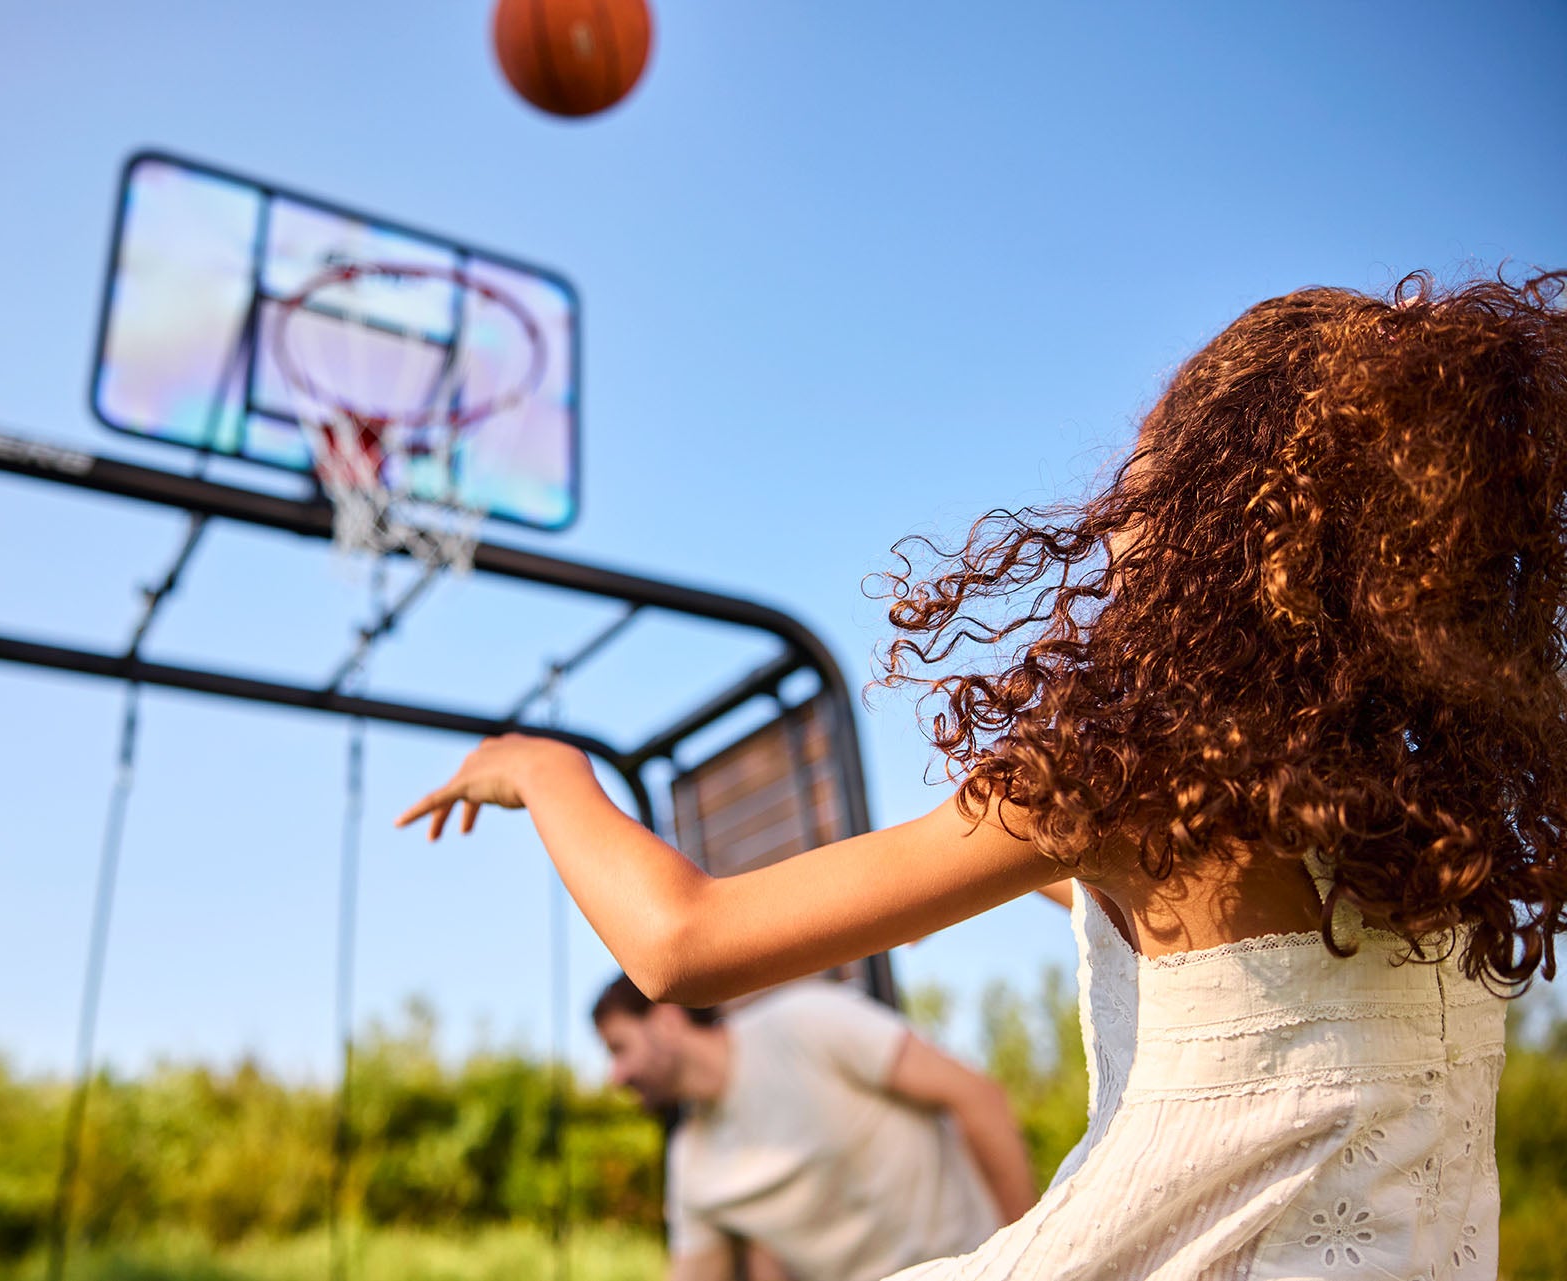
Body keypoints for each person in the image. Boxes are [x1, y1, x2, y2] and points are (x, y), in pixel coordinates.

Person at [398, 271, 1566, 1278]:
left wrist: (545, 768)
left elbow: (681, 942)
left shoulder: (1120, 791)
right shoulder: (1444, 843)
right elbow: (1215, 967)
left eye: (1145, 467)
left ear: (1204, 517)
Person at [592, 972, 1029, 1281]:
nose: (615, 1077)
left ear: (667, 1022)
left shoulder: (804, 1022)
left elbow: (977, 1097)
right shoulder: (691, 1164)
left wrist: (1028, 1255)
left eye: (619, 1048)